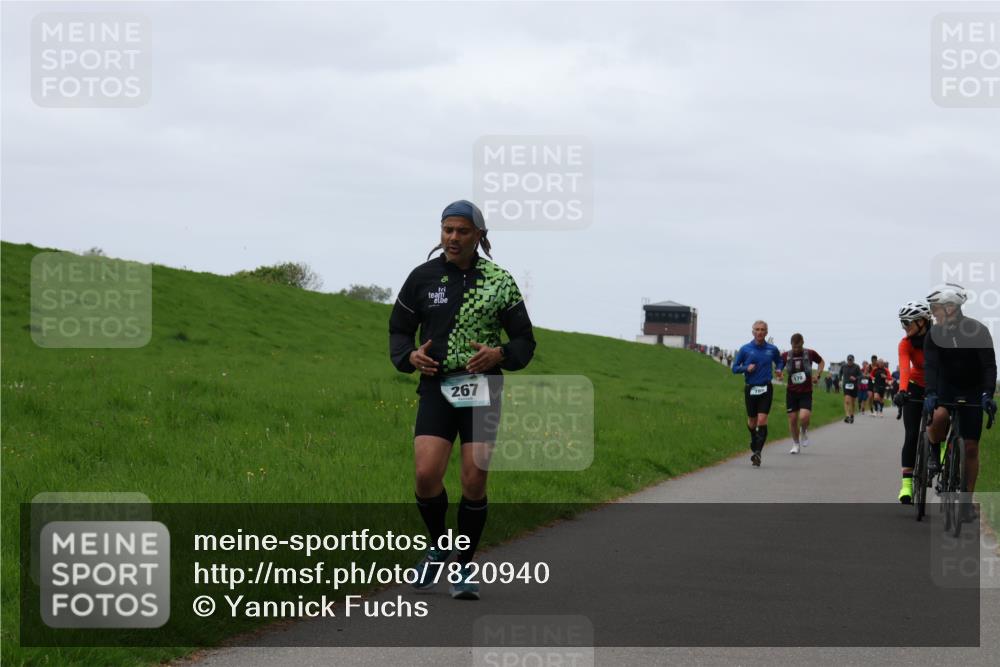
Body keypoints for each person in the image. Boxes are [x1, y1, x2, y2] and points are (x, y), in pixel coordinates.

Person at [389, 199, 536, 599]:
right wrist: (409, 357)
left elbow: (525, 340)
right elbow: (399, 330)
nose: (453, 238)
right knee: (426, 474)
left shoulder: (499, 282)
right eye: (447, 230)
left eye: (462, 231)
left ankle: (464, 568)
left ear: (479, 236)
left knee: (474, 478)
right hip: (437, 385)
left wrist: (499, 353)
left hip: (481, 386)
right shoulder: (422, 277)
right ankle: (439, 545)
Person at [923, 283, 997, 522]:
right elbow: (932, 366)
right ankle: (935, 452)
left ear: (951, 307)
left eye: (936, 308)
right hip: (946, 386)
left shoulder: (978, 331)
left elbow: (988, 366)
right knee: (940, 417)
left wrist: (988, 393)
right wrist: (931, 392)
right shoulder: (934, 334)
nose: (933, 313)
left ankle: (965, 502)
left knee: (971, 447)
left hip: (973, 389)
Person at [892, 300, 931, 504]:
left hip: (937, 385)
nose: (905, 328)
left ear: (922, 321)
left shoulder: (938, 339)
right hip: (915, 385)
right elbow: (904, 368)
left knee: (941, 422)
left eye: (907, 323)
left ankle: (942, 451)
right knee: (912, 434)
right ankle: (906, 485)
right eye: (903, 323)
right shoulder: (905, 343)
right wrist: (902, 390)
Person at [732, 320, 784, 466]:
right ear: (753, 332)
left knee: (762, 420)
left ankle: (758, 453)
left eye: (763, 329)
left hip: (766, 387)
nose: (760, 332)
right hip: (751, 388)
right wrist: (746, 368)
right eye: (757, 329)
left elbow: (779, 361)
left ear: (766, 332)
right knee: (752, 421)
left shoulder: (772, 349)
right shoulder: (745, 349)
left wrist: (779, 370)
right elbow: (734, 368)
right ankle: (754, 439)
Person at [779, 333, 825, 454]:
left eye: (798, 347)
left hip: (806, 392)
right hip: (791, 392)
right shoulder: (786, 355)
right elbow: (778, 367)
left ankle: (803, 431)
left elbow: (821, 362)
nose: (796, 349)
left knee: (804, 417)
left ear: (803, 343)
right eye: (794, 347)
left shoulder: (810, 353)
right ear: (791, 345)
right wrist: (779, 374)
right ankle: (795, 444)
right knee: (793, 419)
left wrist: (818, 375)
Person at [840, 354, 862, 423]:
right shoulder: (844, 366)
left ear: (853, 360)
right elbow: (840, 373)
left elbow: (860, 376)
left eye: (851, 360)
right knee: (847, 401)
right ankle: (847, 416)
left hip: (854, 386)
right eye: (848, 360)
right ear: (847, 360)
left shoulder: (856, 367)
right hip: (846, 385)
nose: (849, 361)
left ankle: (852, 415)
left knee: (852, 402)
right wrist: (840, 380)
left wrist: (855, 378)